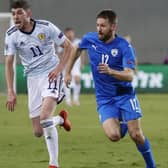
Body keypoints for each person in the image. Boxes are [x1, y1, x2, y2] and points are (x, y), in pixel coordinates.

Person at [65, 9, 156, 168]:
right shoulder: (90, 39)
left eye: (103, 26)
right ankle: (124, 121)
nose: (99, 29)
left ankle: (151, 166)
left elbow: (130, 76)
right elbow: (77, 49)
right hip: (105, 98)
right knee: (114, 136)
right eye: (97, 25)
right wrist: (67, 72)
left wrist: (111, 71)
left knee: (137, 135)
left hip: (125, 95)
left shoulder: (124, 46)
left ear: (113, 27)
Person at [4, 1, 73, 168]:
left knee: (44, 118)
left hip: (51, 74)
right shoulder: (11, 34)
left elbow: (68, 46)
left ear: (28, 13)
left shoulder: (46, 27)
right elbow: (8, 63)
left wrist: (59, 69)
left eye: (19, 13)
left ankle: (53, 164)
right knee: (38, 131)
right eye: (13, 14)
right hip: (32, 79)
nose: (15, 17)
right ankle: (61, 120)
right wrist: (11, 91)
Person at [57, 27, 82, 106]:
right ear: (65, 34)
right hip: (66, 65)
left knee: (77, 80)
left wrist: (82, 63)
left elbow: (82, 52)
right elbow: (60, 54)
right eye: (68, 33)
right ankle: (68, 100)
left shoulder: (78, 41)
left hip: (76, 65)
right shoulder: (62, 43)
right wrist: (61, 64)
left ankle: (75, 99)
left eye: (71, 32)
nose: (70, 34)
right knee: (66, 81)